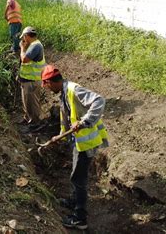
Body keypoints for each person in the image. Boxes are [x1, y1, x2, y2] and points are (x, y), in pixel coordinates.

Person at [41, 64, 109, 230]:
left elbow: (99, 100)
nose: (47, 89)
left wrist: (85, 121)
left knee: (78, 179)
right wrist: (60, 136)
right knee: (75, 175)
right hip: (77, 142)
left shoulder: (74, 90)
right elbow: (67, 117)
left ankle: (80, 219)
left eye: (46, 85)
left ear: (50, 81)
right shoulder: (63, 92)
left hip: (86, 143)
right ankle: (74, 201)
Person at [18, 26, 46, 129]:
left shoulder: (36, 46)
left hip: (32, 81)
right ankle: (27, 118)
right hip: (26, 80)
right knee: (26, 101)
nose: (23, 40)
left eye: (24, 37)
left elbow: (24, 59)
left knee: (32, 103)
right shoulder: (32, 45)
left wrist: (22, 48)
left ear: (26, 36)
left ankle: (35, 123)